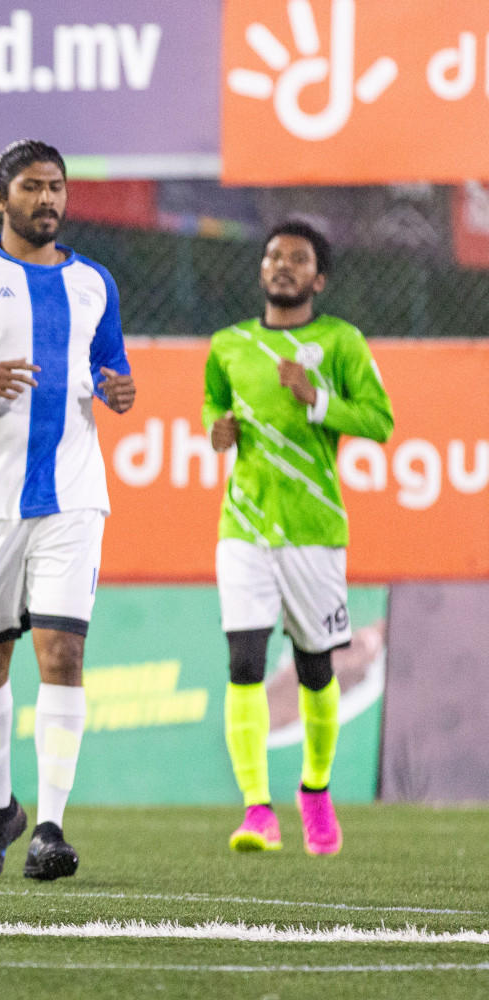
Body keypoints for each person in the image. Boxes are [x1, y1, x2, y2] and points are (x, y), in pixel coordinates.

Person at [0, 140, 136, 883]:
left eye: (56, 187)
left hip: (75, 496)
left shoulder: (95, 283)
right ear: (1, 197)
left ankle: (49, 826)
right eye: (32, 187)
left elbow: (112, 369)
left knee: (64, 653)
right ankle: (0, 808)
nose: (47, 199)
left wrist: (121, 392)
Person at [205, 219, 393, 857]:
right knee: (245, 662)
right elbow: (212, 406)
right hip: (245, 528)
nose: (282, 265)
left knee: (315, 668)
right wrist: (217, 430)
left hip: (314, 532)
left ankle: (315, 790)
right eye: (273, 256)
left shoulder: (340, 341)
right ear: (261, 270)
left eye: (298, 259)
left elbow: (380, 420)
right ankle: (258, 809)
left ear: (320, 278)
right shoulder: (228, 345)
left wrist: (316, 400)